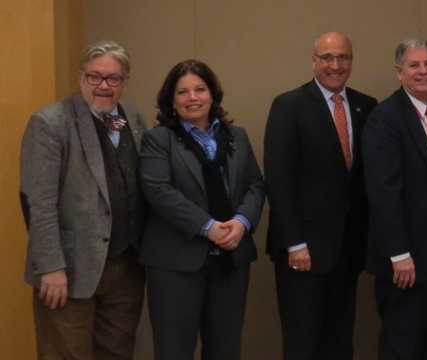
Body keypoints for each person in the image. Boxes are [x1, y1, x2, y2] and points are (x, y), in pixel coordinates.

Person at [19, 40, 146, 359]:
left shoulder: (132, 116)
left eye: (113, 78)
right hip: (68, 270)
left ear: (124, 81)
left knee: (117, 353)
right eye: (94, 77)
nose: (103, 86)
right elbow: (39, 202)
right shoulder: (50, 122)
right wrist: (50, 267)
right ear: (81, 78)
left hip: (125, 268)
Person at [139, 59, 264, 360]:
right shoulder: (158, 139)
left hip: (231, 262)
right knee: (174, 351)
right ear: (171, 99)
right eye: (182, 92)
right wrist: (209, 227)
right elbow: (159, 191)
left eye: (200, 89)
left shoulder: (238, 137)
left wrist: (241, 222)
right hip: (175, 265)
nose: (192, 98)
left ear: (213, 94)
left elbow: (255, 185)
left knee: (225, 349)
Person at [264, 31, 377, 360]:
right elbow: (279, 179)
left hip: (347, 251)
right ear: (314, 61)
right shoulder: (289, 106)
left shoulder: (365, 106)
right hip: (303, 253)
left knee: (340, 342)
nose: (336, 65)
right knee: (303, 343)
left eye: (343, 57)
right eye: (327, 57)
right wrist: (295, 244)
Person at [363, 38, 427, 360]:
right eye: (414, 65)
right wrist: (399, 254)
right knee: (402, 343)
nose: (423, 71)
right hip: (406, 259)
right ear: (399, 72)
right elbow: (383, 192)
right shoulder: (384, 118)